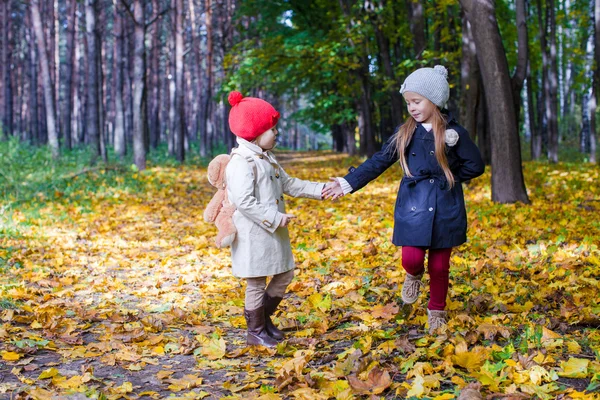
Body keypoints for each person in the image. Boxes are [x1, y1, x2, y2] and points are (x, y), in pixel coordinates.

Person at [322, 66, 485, 334]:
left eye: (417, 101)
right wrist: (347, 183)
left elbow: (475, 165)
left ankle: (436, 311)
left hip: (446, 206)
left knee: (440, 264)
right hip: (413, 206)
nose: (411, 107)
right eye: (408, 102)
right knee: (411, 257)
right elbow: (379, 161)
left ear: (434, 100)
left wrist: (449, 176)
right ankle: (413, 275)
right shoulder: (405, 132)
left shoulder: (455, 133)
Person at [225, 91, 326, 347]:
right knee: (256, 282)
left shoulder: (266, 156)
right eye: (272, 129)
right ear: (255, 133)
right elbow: (244, 201)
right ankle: (255, 331)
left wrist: (320, 190)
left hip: (273, 230)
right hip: (254, 232)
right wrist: (274, 217)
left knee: (285, 273)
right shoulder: (241, 162)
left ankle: (264, 320)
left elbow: (289, 183)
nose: (276, 133)